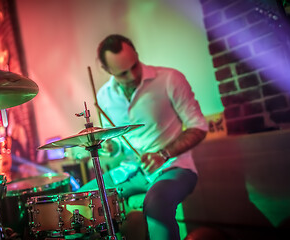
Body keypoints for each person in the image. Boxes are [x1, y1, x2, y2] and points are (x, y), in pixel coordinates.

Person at [79, 34, 208, 240]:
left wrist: (163, 154)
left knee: (156, 204)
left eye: (134, 66)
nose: (131, 76)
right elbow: (118, 145)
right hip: (131, 171)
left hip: (174, 167)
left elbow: (198, 127)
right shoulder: (104, 97)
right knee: (83, 202)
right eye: (122, 73)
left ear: (137, 55)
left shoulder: (170, 79)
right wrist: (111, 147)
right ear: (107, 70)